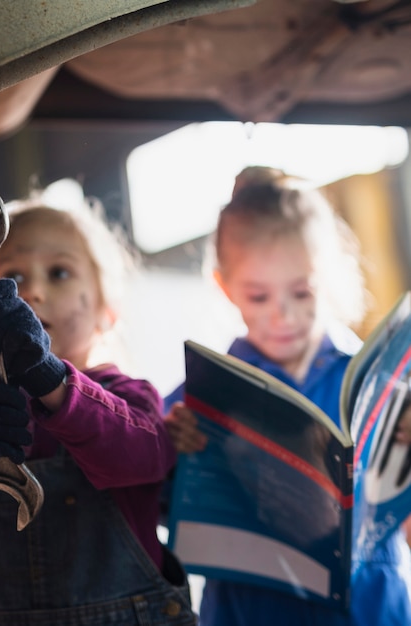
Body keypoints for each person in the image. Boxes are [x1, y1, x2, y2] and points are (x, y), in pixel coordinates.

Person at [0, 193, 197, 626]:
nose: (32, 290)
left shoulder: (130, 397)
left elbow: (142, 455)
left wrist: (47, 375)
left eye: (60, 272)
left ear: (107, 312)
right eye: (12, 276)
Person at [163, 167, 411, 626]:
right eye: (258, 296)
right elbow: (152, 499)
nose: (283, 315)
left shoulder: (378, 382)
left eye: (302, 292)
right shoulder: (203, 392)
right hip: (252, 609)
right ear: (224, 287)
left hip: (372, 609)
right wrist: (171, 449)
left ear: (330, 275)